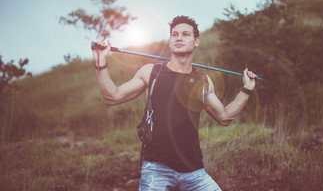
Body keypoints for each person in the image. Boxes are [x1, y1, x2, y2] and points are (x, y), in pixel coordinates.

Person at [92, 15, 257, 191]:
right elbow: (112, 96)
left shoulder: (202, 80)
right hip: (157, 170)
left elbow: (224, 117)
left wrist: (246, 89)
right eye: (174, 34)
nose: (179, 37)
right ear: (170, 42)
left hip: (194, 172)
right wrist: (101, 63)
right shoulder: (151, 73)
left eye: (186, 34)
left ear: (196, 41)